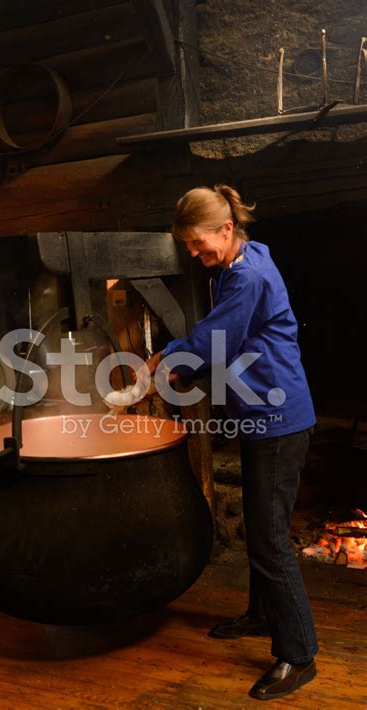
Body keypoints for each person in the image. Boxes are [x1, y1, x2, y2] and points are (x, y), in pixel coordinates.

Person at [144, 185, 318, 701]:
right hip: (263, 413)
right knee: (264, 526)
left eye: (198, 244)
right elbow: (227, 338)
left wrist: (171, 360)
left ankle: (299, 654)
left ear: (226, 229)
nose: (195, 255)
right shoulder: (243, 257)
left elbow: (216, 338)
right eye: (189, 247)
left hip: (279, 420)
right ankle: (263, 615)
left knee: (268, 538)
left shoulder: (247, 274)